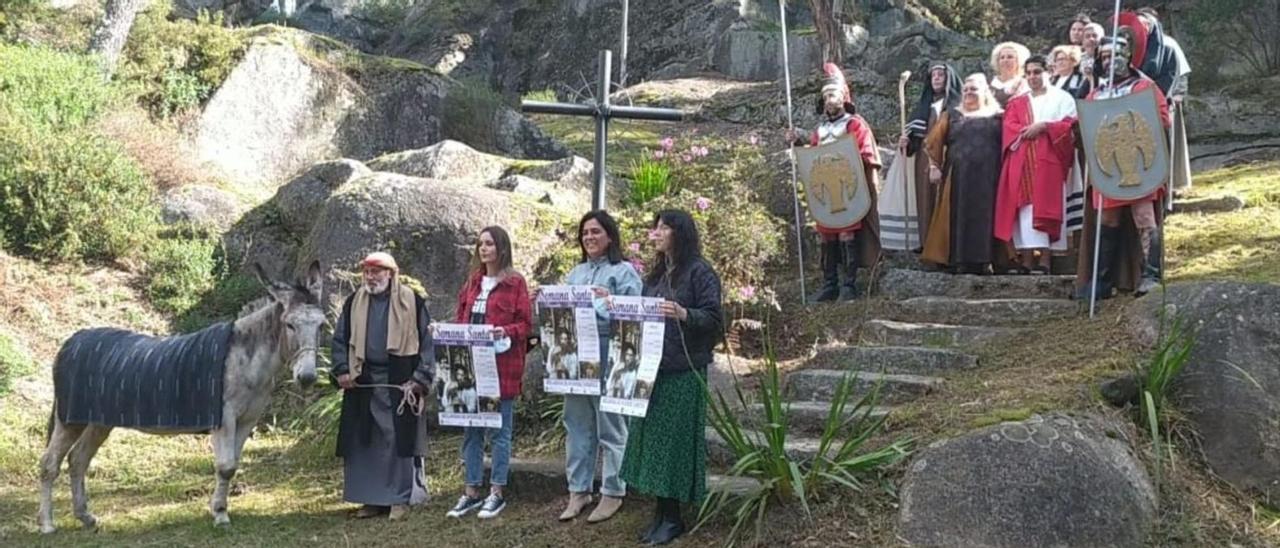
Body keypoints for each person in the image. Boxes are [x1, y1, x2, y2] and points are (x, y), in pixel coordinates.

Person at [621, 209, 723, 546]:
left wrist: (683, 313)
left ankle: (674, 517)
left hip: (684, 371)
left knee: (674, 446)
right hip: (652, 369)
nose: (658, 232)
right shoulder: (655, 275)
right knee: (652, 443)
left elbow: (714, 319)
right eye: (656, 227)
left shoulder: (700, 272)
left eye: (665, 227)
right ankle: (660, 514)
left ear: (681, 232)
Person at [545, 210, 642, 524]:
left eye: (596, 232)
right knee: (576, 422)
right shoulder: (576, 273)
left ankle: (613, 490)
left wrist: (609, 300)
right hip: (575, 353)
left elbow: (636, 315)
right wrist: (546, 299)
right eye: (585, 232)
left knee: (611, 422)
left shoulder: (624, 271)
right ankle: (579, 490)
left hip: (610, 351)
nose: (589, 237)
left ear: (610, 236)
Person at [331, 252, 434, 521]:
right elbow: (340, 339)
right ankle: (371, 499)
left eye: (377, 271)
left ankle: (400, 498)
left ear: (391, 273)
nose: (371, 277)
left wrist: (420, 378)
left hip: (401, 382)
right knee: (364, 441)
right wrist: (342, 369)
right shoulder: (354, 302)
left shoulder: (412, 301)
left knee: (397, 441)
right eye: (367, 271)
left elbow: (427, 342)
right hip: (363, 380)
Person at [1075, 35, 1172, 301]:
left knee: (1143, 217)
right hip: (1108, 167)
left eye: (1115, 55)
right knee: (1107, 220)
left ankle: (1151, 275)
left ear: (1128, 56)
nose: (1110, 61)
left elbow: (1161, 119)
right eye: (1104, 57)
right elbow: (1087, 126)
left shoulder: (1143, 87)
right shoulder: (1096, 93)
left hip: (1138, 165)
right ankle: (1102, 281)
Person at [446, 226, 532, 519]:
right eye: (480, 244)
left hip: (502, 368)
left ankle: (496, 492)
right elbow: (461, 320)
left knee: (499, 431)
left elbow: (524, 326)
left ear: (502, 248)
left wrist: (502, 331)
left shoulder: (516, 282)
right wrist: (445, 333)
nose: (484, 249)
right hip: (471, 367)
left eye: (490, 244)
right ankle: (470, 491)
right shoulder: (472, 282)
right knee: (471, 430)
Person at [787, 62, 883, 301]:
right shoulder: (819, 130)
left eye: (833, 94)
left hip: (846, 188)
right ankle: (830, 284)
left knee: (846, 235)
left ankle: (848, 286)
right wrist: (798, 143)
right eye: (826, 95)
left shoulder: (854, 124)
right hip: (826, 193)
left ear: (843, 97)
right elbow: (814, 157)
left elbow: (864, 153)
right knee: (827, 236)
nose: (830, 99)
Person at [995, 55, 1079, 274]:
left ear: (1048, 72)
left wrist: (1044, 127)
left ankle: (1045, 261)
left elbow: (1070, 125)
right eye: (1029, 73)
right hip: (1023, 161)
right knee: (1023, 211)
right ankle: (1026, 261)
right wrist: (1025, 132)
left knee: (1045, 208)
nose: (1032, 76)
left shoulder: (1063, 98)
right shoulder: (1018, 102)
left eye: (1037, 72)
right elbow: (1010, 126)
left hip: (1049, 161)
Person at [920, 74, 1006, 274]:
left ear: (985, 92)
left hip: (989, 176)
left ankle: (987, 261)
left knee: (988, 216)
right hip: (959, 176)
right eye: (966, 89)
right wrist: (934, 166)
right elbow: (933, 142)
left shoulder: (998, 116)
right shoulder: (952, 115)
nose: (968, 92)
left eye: (974, 89)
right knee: (958, 214)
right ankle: (959, 260)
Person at [900, 63, 963, 250]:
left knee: (948, 200)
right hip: (924, 159)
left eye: (940, 75)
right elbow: (913, 142)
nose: (936, 78)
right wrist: (907, 143)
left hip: (950, 157)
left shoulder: (958, 106)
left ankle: (947, 247)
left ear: (949, 78)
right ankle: (926, 243)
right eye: (933, 75)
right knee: (925, 199)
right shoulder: (923, 107)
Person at [990, 42, 1031, 107]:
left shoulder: (1026, 85)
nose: (1005, 60)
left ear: (1019, 61)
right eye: (1002, 57)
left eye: (1010, 57)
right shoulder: (988, 84)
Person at [1080, 22, 1105, 88]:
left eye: (1095, 36)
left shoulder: (1107, 59)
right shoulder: (1076, 61)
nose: (1091, 39)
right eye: (1087, 36)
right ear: (1082, 41)